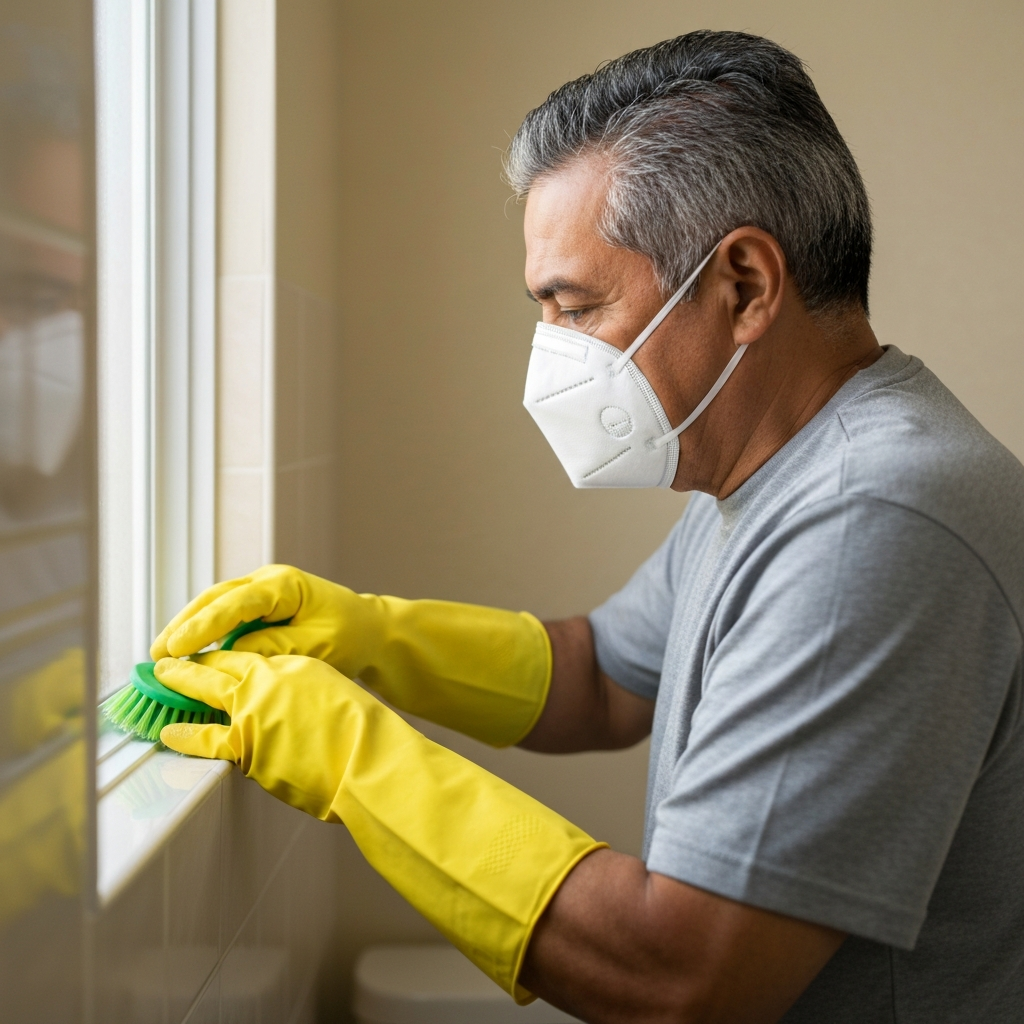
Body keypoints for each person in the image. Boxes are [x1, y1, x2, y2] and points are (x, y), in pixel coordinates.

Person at [150, 31, 1024, 1023]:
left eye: (576, 309)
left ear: (742, 285)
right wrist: (373, 638)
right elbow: (605, 674)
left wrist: (352, 757)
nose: (551, 361)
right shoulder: (785, 472)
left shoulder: (872, 518)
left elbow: (678, 975)